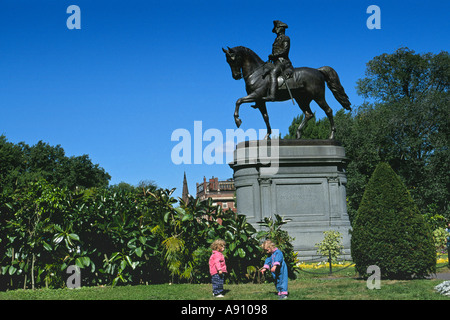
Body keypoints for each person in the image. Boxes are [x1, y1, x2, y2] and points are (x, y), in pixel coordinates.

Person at [263, 20, 294, 101]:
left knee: (273, 72)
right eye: (275, 28)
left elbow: (285, 50)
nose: (276, 29)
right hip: (276, 62)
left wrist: (274, 55)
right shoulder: (276, 39)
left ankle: (272, 95)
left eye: (277, 28)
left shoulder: (285, 38)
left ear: (281, 28)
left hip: (283, 61)